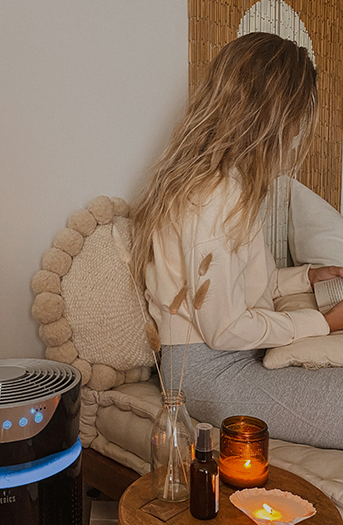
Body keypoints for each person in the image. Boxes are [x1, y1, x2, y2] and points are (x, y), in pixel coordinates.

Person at [131, 32, 343, 450]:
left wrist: (308, 277)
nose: (299, 135)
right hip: (209, 369)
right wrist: (325, 323)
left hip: (226, 356)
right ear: (273, 117)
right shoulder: (216, 195)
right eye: (298, 119)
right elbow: (225, 328)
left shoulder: (227, 186)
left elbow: (236, 290)